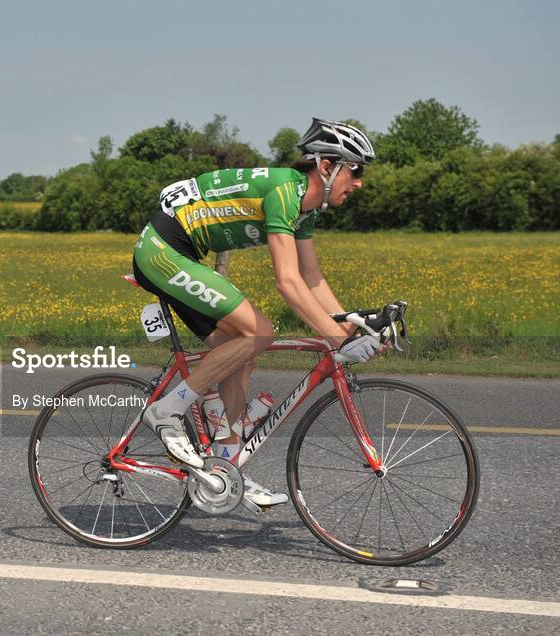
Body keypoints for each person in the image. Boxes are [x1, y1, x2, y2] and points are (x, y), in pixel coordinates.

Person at [133, 118, 381, 509]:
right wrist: (336, 340)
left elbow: (312, 278)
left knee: (239, 356)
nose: (360, 181)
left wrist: (352, 326)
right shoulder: (285, 190)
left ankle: (225, 467)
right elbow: (287, 281)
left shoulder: (306, 207)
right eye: (356, 169)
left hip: (183, 254)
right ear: (328, 167)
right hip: (163, 250)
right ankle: (167, 410)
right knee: (259, 333)